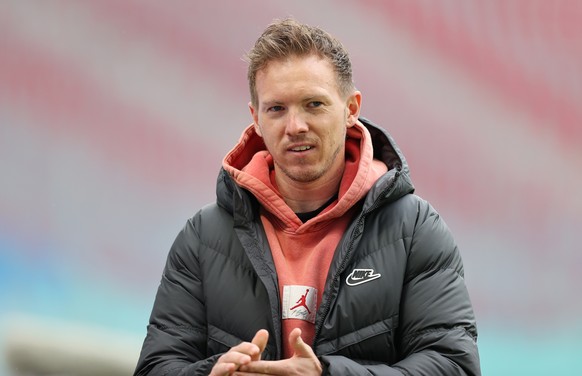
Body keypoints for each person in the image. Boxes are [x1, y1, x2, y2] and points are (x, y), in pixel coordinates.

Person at [134, 18, 481, 376]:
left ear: (351, 108)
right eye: (276, 109)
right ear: (256, 119)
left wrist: (325, 374)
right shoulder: (202, 238)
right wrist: (212, 373)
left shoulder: (416, 231)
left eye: (313, 104)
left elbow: (453, 366)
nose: (295, 126)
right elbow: (156, 367)